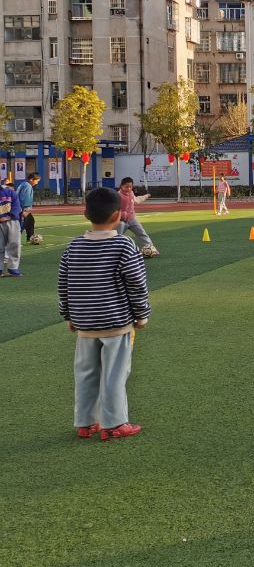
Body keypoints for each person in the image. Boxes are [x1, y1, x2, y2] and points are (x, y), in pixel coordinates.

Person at [58, 187, 150, 441]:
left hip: (85, 324)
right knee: (114, 374)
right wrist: (142, 314)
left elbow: (64, 283)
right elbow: (136, 283)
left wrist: (68, 315)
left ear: (85, 213)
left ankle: (86, 422)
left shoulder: (74, 246)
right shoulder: (123, 245)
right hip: (116, 323)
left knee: (86, 373)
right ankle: (114, 423)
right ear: (119, 215)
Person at [117, 178, 156, 255]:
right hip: (121, 221)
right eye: (126, 186)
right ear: (121, 186)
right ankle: (115, 252)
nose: (128, 188)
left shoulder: (131, 193)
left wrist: (146, 196)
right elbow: (113, 208)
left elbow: (137, 200)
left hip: (132, 219)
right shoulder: (117, 195)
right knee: (118, 237)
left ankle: (151, 248)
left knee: (142, 233)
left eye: (130, 186)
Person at [0, 178, 24, 276]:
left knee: (15, 244)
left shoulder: (9, 191)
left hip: (12, 221)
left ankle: (13, 267)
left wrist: (9, 216)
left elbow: (17, 206)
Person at [16, 173, 39, 242]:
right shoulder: (27, 186)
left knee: (30, 221)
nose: (37, 183)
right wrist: (26, 209)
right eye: (36, 181)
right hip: (23, 208)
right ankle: (15, 239)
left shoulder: (23, 184)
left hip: (19, 207)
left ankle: (30, 237)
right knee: (22, 224)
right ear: (31, 179)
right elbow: (25, 198)